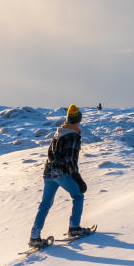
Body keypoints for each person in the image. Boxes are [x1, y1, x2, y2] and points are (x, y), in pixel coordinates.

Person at [29, 104, 90, 248]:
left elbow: (51, 155)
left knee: (45, 204)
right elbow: (71, 159)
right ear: (77, 120)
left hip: (48, 172)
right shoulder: (73, 135)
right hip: (61, 172)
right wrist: (77, 178)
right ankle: (74, 227)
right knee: (78, 195)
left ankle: (34, 236)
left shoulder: (58, 133)